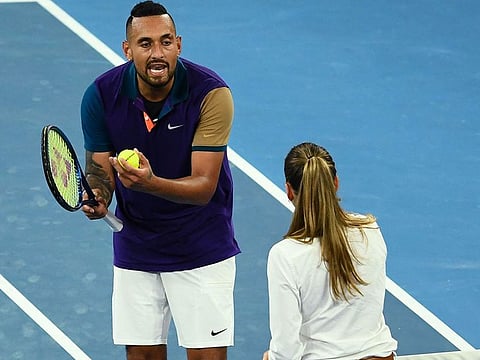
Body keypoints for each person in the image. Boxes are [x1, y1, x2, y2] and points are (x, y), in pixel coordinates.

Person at [79, 1, 240, 359]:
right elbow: (98, 171)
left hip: (201, 245)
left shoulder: (211, 95)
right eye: (145, 43)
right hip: (137, 244)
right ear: (127, 49)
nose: (157, 53)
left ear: (179, 44)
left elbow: (204, 187)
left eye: (166, 42)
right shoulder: (100, 96)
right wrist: (100, 197)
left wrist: (149, 183)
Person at [263, 142, 397, 360]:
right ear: (335, 183)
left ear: (289, 191)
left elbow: (285, 351)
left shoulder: (285, 255)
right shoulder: (369, 230)